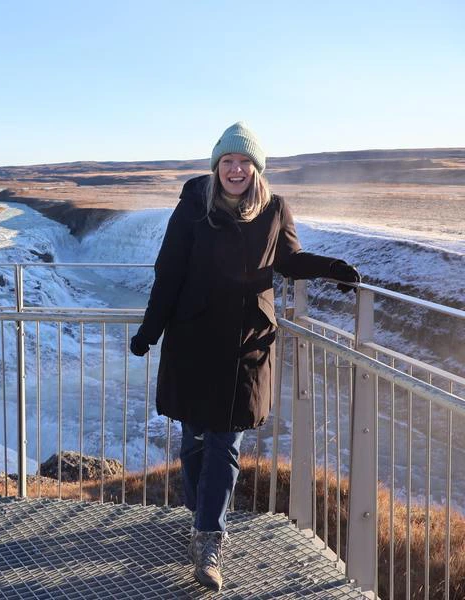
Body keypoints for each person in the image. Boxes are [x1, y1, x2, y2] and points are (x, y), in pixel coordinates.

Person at [129, 122, 360, 591]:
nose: (236, 170)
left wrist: (331, 268)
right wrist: (149, 330)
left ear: (257, 169)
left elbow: (289, 261)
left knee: (225, 444)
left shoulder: (275, 208)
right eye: (227, 162)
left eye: (244, 163)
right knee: (194, 439)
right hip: (195, 339)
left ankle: (210, 539)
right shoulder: (195, 205)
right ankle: (200, 521)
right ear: (217, 168)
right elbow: (168, 271)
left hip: (246, 344)